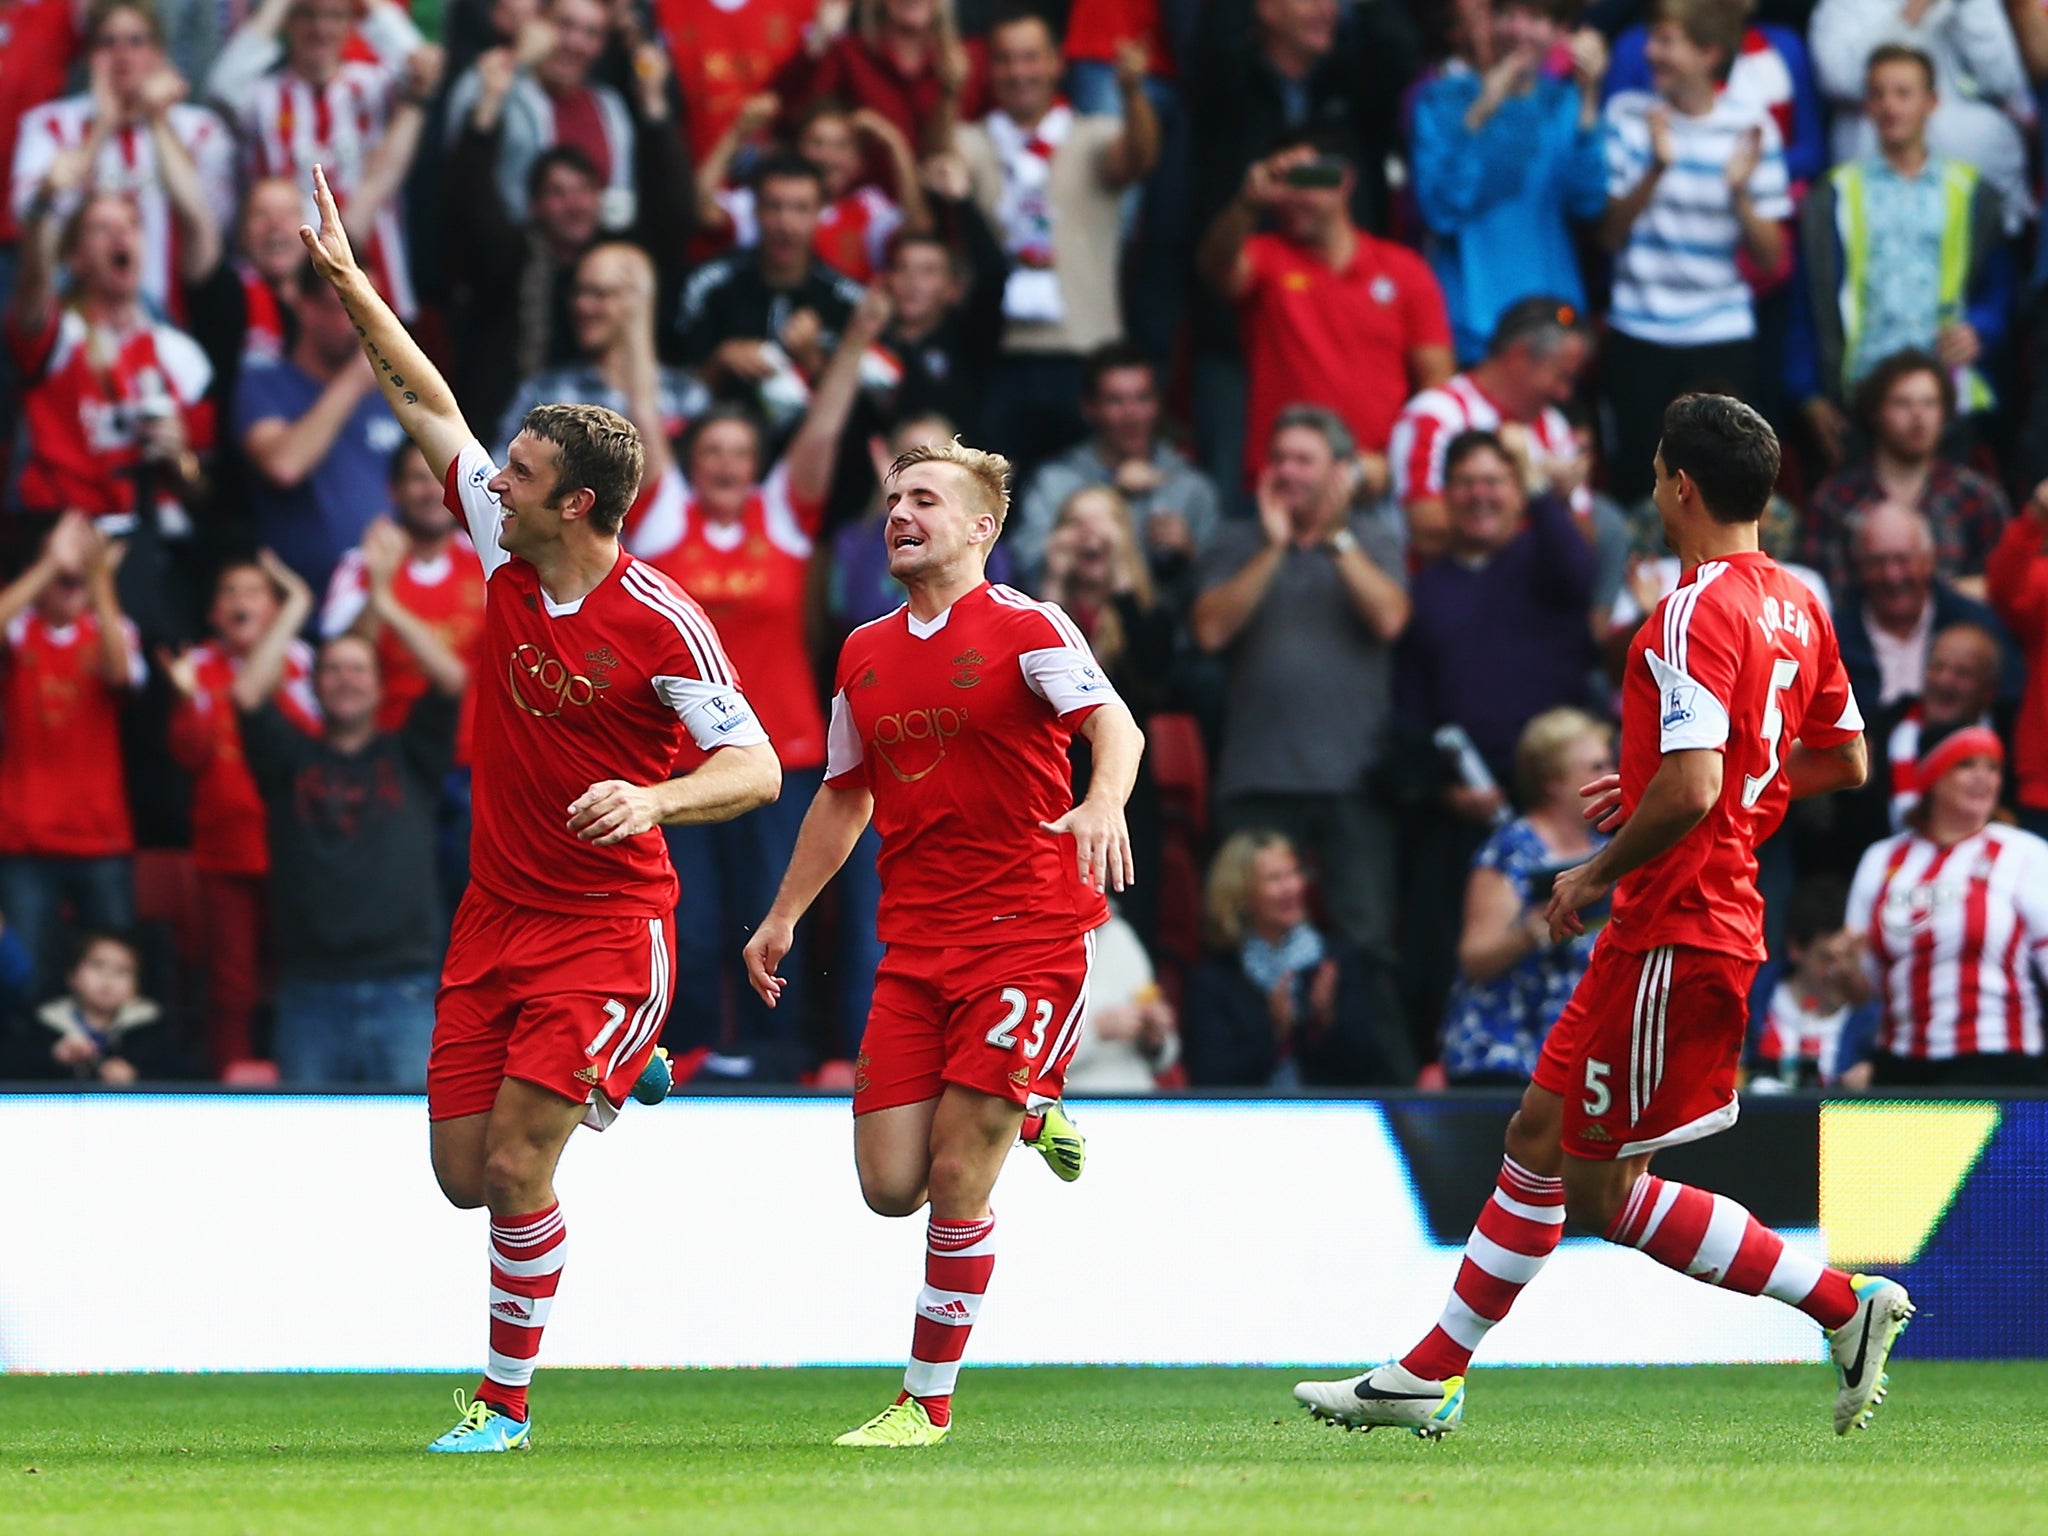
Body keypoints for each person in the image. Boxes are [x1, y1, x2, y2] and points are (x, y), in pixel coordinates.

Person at [1295, 393, 1910, 1441]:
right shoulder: (1797, 603)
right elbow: (1843, 758)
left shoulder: (1685, 607)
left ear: (1678, 486)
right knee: (1535, 1136)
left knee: (1597, 1191)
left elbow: (1694, 786)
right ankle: (1424, 1374)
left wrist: (1590, 867)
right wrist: (1709, 786)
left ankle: (1839, 1304)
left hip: (1679, 916)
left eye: (1657, 476)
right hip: (1688, 915)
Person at [298, 165, 781, 1451]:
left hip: (606, 927)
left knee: (520, 1172)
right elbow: (428, 403)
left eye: (517, 473)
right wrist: (351, 284)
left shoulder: (661, 620)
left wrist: (657, 794)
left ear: (576, 502)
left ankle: (503, 1406)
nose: (487, 482)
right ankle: (626, 1070)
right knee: (464, 1179)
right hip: (493, 917)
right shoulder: (506, 551)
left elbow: (758, 768)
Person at [741, 436, 1146, 1447]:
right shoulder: (861, 652)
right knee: (889, 1186)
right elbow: (843, 795)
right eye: (891, 499)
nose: (900, 513)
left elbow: (1118, 729)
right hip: (915, 947)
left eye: (924, 497)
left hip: (1029, 932)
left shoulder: (1023, 626)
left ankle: (924, 1402)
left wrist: (1099, 804)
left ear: (981, 527)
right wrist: (783, 915)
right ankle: (1032, 1098)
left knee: (960, 1177)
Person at [626, 291, 886, 1080]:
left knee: (783, 914)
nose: (729, 466)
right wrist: (638, 322)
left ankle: (780, 1056)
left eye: (742, 453)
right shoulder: (666, 518)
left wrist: (858, 341)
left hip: (789, 757)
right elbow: (640, 408)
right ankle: (694, 1055)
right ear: (691, 461)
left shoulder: (782, 514)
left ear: (757, 463)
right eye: (714, 454)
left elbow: (825, 428)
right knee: (693, 922)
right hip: (689, 764)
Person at [1191, 407, 1410, 995]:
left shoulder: (1371, 536)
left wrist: (1335, 537)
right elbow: (1210, 631)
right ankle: (1244, 1080)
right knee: (1238, 938)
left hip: (1352, 779)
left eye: (1303, 459)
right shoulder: (1236, 539)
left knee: (1365, 941)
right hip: (1257, 776)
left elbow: (1391, 618)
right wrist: (1273, 548)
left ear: (1340, 471)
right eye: (1279, 457)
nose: (1287, 471)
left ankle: (1373, 1078)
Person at [1395, 431, 1599, 1056]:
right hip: (1468, 808)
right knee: (1456, 942)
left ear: (1517, 491)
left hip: (1564, 801)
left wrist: (1545, 495)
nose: (1480, 495)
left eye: (1495, 481)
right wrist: (1446, 790)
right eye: (1466, 483)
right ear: (1446, 497)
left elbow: (1583, 577)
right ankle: (1447, 1062)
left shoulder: (1544, 556)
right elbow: (1411, 708)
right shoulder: (1430, 588)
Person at [231, 545, 464, 1088]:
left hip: (403, 987)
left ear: (381, 687)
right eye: (332, 669)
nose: (345, 679)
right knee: (308, 1154)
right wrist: (297, 606)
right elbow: (246, 693)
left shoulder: (412, 756)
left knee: (414, 1152)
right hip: (309, 990)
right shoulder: (288, 761)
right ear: (314, 685)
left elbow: (451, 677)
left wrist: (384, 601)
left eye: (359, 669)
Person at [445, 37, 692, 436]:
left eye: (583, 191)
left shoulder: (620, 254)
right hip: (517, 431)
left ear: (600, 197)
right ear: (534, 207)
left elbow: (675, 214)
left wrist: (655, 108)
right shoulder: (508, 257)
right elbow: (469, 204)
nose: (573, 205)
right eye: (557, 193)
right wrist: (486, 111)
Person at [1598, 0, 1791, 505]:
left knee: (1721, 489)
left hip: (1720, 335)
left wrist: (1740, 194)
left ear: (1708, 52)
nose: (1650, 52)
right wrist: (1657, 169)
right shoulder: (1626, 117)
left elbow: (1771, 257)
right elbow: (1607, 236)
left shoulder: (1752, 129)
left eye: (1666, 41)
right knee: (1641, 487)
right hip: (1638, 332)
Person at [955, 14, 1159, 475]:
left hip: (1084, 355)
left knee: (1088, 498)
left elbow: (1139, 159)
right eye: (1005, 60)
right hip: (1000, 355)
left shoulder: (1091, 136)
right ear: (989, 69)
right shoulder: (974, 141)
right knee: (993, 504)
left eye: (1030, 58)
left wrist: (1132, 92)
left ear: (1056, 63)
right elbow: (939, 164)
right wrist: (949, 92)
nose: (1018, 71)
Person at [1793, 45, 2010, 467]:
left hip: (1945, 392)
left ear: (1932, 102)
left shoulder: (1971, 192)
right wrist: (1809, 394)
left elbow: (1998, 284)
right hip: (1860, 393)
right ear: (1867, 106)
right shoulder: (1835, 195)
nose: (1890, 105)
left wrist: (1982, 328)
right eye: (1878, 94)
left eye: (1903, 93)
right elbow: (1808, 301)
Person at [1199, 137, 1454, 490]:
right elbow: (1216, 269)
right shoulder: (1267, 258)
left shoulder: (1403, 270)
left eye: (1304, 181)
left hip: (1375, 479)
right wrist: (1247, 203)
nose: (1290, 196)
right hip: (1285, 481)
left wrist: (1399, 461)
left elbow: (1436, 385)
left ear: (1342, 179)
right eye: (1281, 183)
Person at [162, 560, 321, 1075]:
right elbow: (188, 754)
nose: (240, 601)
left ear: (274, 610)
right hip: (223, 851)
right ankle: (230, 1082)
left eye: (253, 591)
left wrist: (268, 683)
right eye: (228, 591)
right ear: (213, 612)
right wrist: (188, 701)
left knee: (296, 970)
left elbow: (313, 747)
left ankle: (297, 1074)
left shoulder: (300, 663)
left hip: (291, 851)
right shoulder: (199, 667)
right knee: (230, 982)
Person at [8, 148, 213, 538]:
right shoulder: (59, 335)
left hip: (151, 543)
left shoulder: (182, 356)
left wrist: (181, 457)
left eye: (132, 225)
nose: (121, 235)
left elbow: (202, 492)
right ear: (76, 258)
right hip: (62, 536)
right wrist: (43, 208)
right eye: (102, 228)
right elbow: (33, 288)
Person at [206, 0, 441, 317]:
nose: (320, 29)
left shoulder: (374, 85)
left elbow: (424, 67)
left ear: (351, 23)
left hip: (377, 276)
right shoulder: (262, 97)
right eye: (307, 15)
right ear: (287, 23)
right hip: (284, 291)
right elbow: (222, 87)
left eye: (334, 15)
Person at [1408, 0, 1609, 365]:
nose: (1518, 29)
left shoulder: (1565, 101)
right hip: (1471, 329)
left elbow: (1588, 202)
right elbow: (1439, 212)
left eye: (1536, 18)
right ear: (1486, 21)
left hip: (1554, 327)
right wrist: (1483, 109)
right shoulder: (1440, 101)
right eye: (1506, 14)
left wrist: (1590, 94)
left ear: (1559, 33)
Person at [1846, 724, 2048, 1086]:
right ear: (1933, 776)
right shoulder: (1881, 860)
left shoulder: (2025, 854)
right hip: (1900, 1061)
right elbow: (1864, 990)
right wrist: (1842, 969)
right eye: (1967, 765)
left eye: (1993, 768)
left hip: (1998, 1060)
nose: (1983, 779)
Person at [9, 0, 235, 319]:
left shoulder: (198, 127)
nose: (122, 55)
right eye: (107, 42)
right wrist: (101, 128)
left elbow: (212, 221)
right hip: (76, 325)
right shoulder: (49, 124)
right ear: (89, 55)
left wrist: (157, 119)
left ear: (158, 53)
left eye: (136, 41)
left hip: (171, 323)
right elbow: (31, 224)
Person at [0, 514, 142, 1002]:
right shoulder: (20, 627)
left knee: (115, 982)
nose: (71, 568)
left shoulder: (114, 625)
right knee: (26, 981)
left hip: (101, 837)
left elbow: (120, 672)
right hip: (24, 839)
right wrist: (48, 564)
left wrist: (99, 578)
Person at [1440, 709, 1612, 1086]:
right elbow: (1475, 958)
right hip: (1505, 1055)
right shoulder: (1511, 850)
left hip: (1579, 1059)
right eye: (1594, 766)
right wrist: (1535, 929)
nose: (1608, 775)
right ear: (1553, 782)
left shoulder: (1607, 852)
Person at [236, 257, 409, 601]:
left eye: (372, 306)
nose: (365, 322)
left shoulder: (397, 391)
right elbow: (284, 465)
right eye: (349, 305)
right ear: (305, 306)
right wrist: (356, 379)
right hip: (300, 605)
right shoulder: (265, 384)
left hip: (391, 602)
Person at [1181, 830, 1395, 1088]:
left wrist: (1324, 1022)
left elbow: (1369, 1066)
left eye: (1294, 873)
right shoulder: (1215, 978)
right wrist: (1274, 1033)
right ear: (1240, 894)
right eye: (1275, 879)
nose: (1291, 887)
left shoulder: (1336, 960)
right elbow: (1209, 1078)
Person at [1389, 297, 1595, 563]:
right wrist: (1537, 495)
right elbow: (1427, 529)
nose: (1564, 394)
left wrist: (1563, 501)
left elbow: (1584, 547)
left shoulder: (1554, 426)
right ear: (1519, 356)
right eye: (1561, 376)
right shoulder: (1436, 415)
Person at [1011, 341, 1221, 595]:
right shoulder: (1054, 481)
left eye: (1142, 398)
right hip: (1076, 627)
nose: (1131, 413)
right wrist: (1110, 494)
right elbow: (1024, 566)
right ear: (1089, 408)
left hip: (1165, 630)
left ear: (1157, 405)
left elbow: (1218, 597)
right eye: (1115, 401)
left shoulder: (1190, 486)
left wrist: (1190, 554)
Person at [1802, 350, 2010, 603]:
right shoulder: (1834, 501)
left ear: (1945, 413)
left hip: (1961, 635)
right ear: (1874, 412)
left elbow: (2006, 586)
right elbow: (1823, 599)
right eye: (1902, 403)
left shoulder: (1978, 497)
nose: (1918, 415)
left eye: (1930, 403)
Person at [675, 151, 865, 425]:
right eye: (774, 206)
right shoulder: (709, 285)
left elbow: (865, 413)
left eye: (800, 208)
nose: (785, 224)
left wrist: (814, 362)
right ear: (755, 209)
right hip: (720, 445)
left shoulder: (847, 299)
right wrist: (720, 363)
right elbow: (673, 395)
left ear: (820, 212)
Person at [1810, 0, 2034, 231]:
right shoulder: (1842, 7)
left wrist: (1969, 9)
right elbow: (1842, 78)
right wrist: (1915, 10)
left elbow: (2007, 81)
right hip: (1876, 197)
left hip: (1973, 200)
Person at [496, 241, 705, 458]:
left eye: (599, 294)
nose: (582, 306)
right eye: (578, 292)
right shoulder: (545, 394)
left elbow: (689, 490)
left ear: (640, 303)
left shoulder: (686, 396)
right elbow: (499, 475)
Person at [442, 0, 639, 229]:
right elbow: (460, 170)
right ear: (539, 24)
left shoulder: (610, 106)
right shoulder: (492, 80)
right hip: (505, 254)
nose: (575, 43)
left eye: (592, 33)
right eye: (564, 25)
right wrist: (518, 60)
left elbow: (620, 201)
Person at [696, 94, 931, 284]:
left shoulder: (868, 207)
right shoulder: (767, 200)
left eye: (841, 145)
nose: (828, 157)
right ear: (796, 150)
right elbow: (700, 208)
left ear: (859, 161)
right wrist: (737, 134)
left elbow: (919, 231)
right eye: (816, 143)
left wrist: (895, 144)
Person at [771, 0, 987, 182]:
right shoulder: (851, 54)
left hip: (950, 198)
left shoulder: (971, 56)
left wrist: (951, 93)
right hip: (871, 203)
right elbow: (790, 114)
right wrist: (817, 42)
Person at [1835, 500, 2012, 715]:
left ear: (1929, 560)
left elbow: (2008, 702)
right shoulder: (1834, 638)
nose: (1892, 576)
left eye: (1903, 560)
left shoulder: (1976, 625)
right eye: (1877, 562)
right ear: (1859, 567)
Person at [1750, 878, 1876, 1092]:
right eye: (1827, 958)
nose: (1839, 971)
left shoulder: (1879, 1030)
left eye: (1849, 957)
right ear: (1795, 948)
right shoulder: (1748, 1004)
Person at [33, 929, 180, 1085]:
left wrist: (137, 1077)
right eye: (97, 965)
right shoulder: (41, 1025)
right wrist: (55, 1060)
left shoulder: (155, 1030)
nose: (108, 978)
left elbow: (186, 1080)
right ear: (72, 976)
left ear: (136, 988)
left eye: (121, 971)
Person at [1061, 903, 1178, 1092]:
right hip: (1073, 1106)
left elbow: (1165, 1057)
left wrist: (1154, 1038)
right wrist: (1096, 1029)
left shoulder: (1122, 936)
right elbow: (1026, 1058)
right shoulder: (1042, 944)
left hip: (1136, 1106)